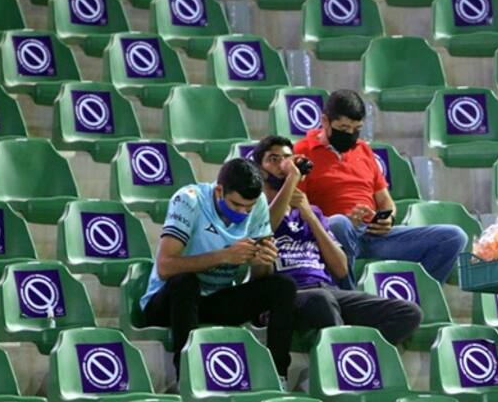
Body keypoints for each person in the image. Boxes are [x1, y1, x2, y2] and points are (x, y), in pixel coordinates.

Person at [253, 135, 423, 345]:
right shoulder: (254, 209)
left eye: (287, 158)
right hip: (288, 297)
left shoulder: (312, 211)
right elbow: (266, 227)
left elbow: (341, 269)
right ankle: (341, 365)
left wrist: (310, 216)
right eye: (274, 159)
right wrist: (291, 182)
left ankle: (358, 356)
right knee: (321, 300)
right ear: (260, 169)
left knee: (408, 312)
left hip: (328, 290)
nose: (283, 165)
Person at [293, 89, 468, 288]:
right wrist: (340, 220)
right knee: (339, 223)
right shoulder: (302, 151)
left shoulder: (363, 150)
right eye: (343, 127)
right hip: (332, 235)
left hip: (373, 233)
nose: (350, 134)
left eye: (356, 128)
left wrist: (387, 218)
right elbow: (297, 208)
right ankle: (350, 300)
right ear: (325, 121)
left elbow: (385, 201)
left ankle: (419, 297)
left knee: (453, 236)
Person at [140, 158, 297, 381]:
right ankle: (187, 377)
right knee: (185, 282)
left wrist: (261, 260)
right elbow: (165, 267)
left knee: (283, 286)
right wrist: (224, 256)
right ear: (219, 191)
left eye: (248, 208)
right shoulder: (189, 200)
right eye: (235, 205)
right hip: (169, 302)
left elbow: (260, 277)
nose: (242, 213)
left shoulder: (259, 203)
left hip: (215, 300)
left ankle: (277, 376)